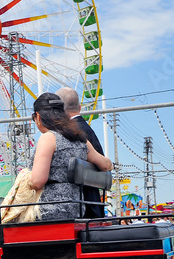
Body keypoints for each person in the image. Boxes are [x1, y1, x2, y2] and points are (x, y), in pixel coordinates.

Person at [28, 93, 112, 222]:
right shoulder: (80, 138)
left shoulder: (48, 138)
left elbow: (37, 181)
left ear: (38, 116)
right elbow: (106, 165)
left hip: (47, 210)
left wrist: (24, 180)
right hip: (77, 208)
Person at [56, 87, 105, 218]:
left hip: (79, 205)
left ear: (59, 109)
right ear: (79, 107)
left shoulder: (69, 133)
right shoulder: (86, 129)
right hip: (93, 202)